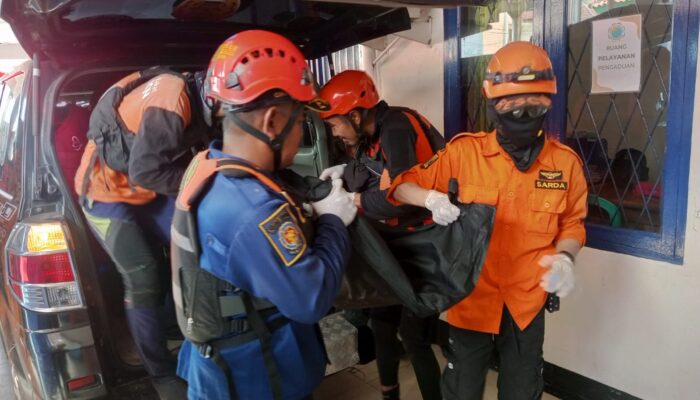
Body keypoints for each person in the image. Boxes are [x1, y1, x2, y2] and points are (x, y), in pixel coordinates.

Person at [387, 41, 588, 400]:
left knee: (522, 391)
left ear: (549, 102)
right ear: (492, 102)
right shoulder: (464, 153)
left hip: (528, 302)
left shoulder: (565, 164)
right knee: (462, 390)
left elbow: (573, 222)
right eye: (511, 104)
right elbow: (400, 186)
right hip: (472, 297)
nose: (522, 113)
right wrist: (429, 198)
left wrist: (566, 257)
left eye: (534, 104)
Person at [174, 30, 357, 400]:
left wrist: (310, 208)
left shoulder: (209, 165)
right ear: (272, 121)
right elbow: (311, 300)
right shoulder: (251, 211)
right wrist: (334, 221)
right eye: (302, 122)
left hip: (227, 364)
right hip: (253, 380)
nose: (301, 136)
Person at [74, 67, 212, 398]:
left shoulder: (199, 100)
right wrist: (201, 183)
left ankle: (180, 324)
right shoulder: (172, 95)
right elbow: (147, 169)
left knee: (192, 244)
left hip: (145, 190)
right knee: (144, 275)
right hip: (104, 194)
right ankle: (161, 373)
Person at [318, 70, 447, 400]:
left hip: (425, 245)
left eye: (335, 124)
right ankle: (390, 395)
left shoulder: (397, 127)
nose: (334, 132)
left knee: (414, 334)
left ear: (356, 115)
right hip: (397, 245)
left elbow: (400, 199)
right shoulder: (368, 139)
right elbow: (367, 175)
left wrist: (353, 200)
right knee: (383, 325)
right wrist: (342, 178)